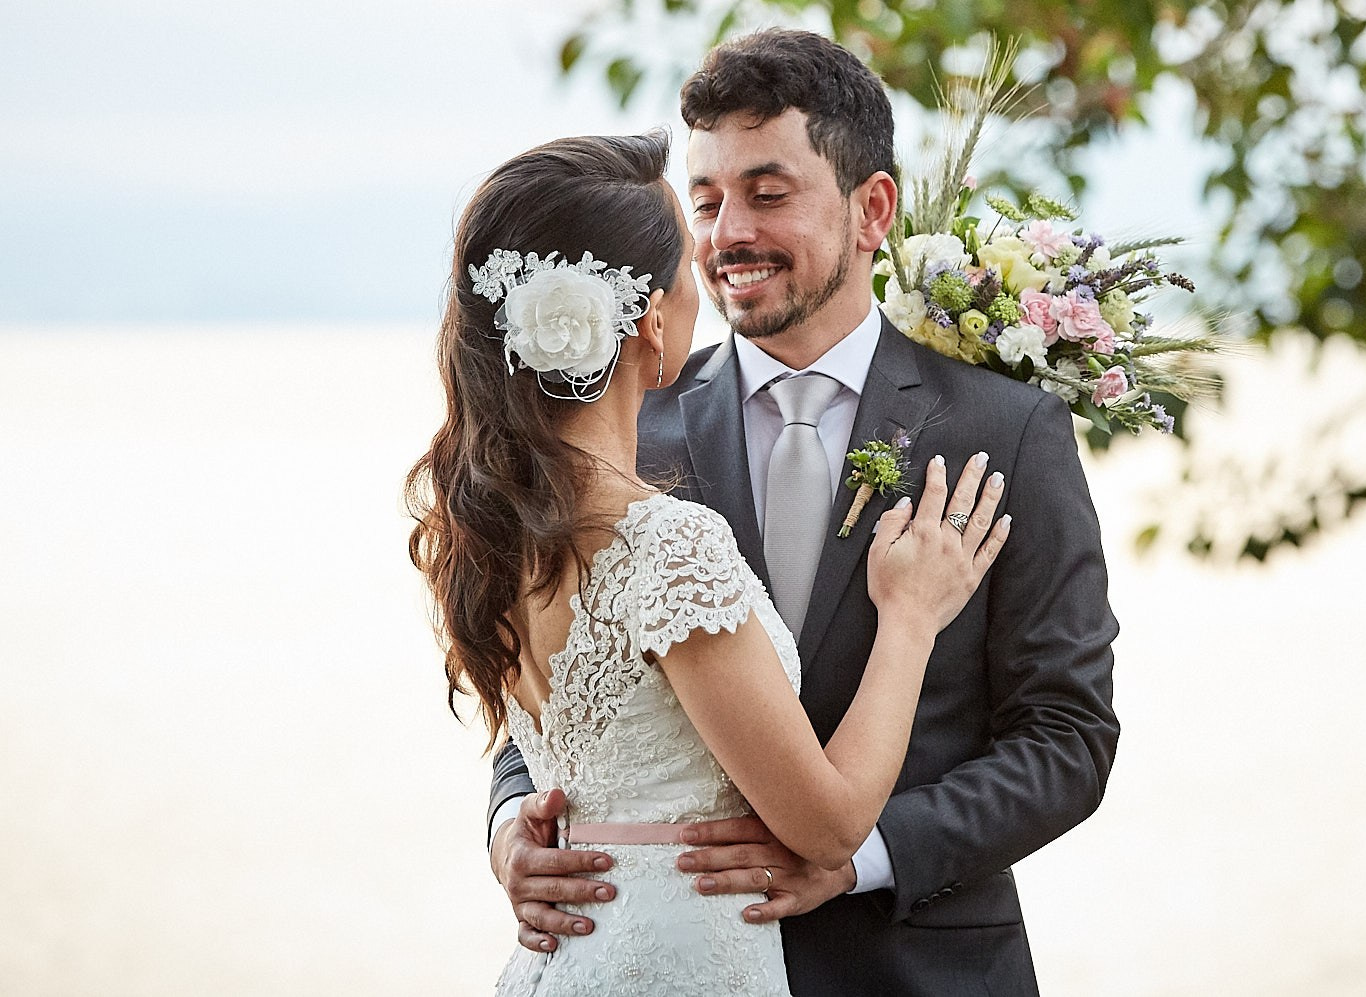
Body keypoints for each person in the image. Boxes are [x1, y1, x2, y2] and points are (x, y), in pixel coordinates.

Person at [488, 29, 1120, 996]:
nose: (726, 232)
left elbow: (1068, 735)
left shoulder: (1007, 430)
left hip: (921, 970)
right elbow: (553, 693)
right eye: (705, 202)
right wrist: (510, 832)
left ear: (873, 209)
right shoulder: (619, 437)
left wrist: (860, 855)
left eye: (767, 193)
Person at [408, 129, 1010, 996]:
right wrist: (910, 620)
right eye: (694, 242)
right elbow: (831, 824)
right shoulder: (666, 540)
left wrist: (523, 827)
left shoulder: (498, 530)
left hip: (563, 964)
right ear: (651, 318)